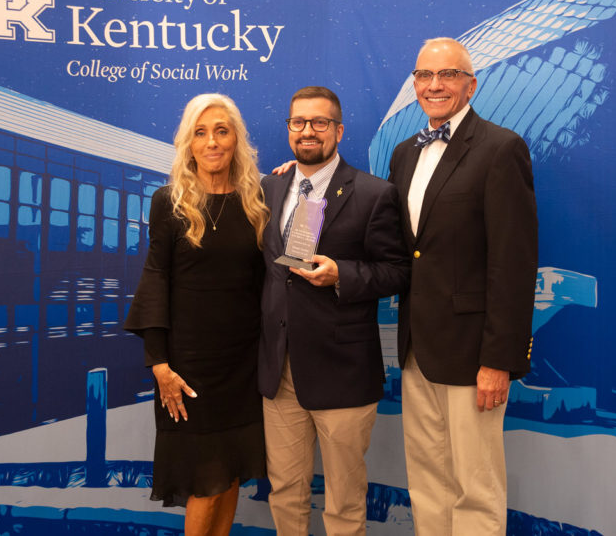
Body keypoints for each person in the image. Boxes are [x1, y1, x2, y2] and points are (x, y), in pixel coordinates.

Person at [388, 37, 538, 534]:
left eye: (448, 74)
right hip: (417, 350)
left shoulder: (500, 148)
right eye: (425, 75)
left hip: (474, 355)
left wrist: (499, 360)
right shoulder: (404, 154)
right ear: (414, 85)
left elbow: (514, 264)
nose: (435, 85)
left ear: (470, 85)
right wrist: (303, 180)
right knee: (427, 482)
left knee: (475, 488)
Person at [259, 86, 409, 536]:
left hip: (342, 370)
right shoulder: (270, 187)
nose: (308, 131)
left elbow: (398, 271)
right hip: (280, 371)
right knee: (285, 490)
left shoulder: (374, 193)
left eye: (319, 122)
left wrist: (342, 273)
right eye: (298, 122)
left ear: (339, 131)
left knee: (344, 500)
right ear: (289, 129)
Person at [124, 93, 270, 535]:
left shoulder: (257, 202)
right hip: (190, 367)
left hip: (243, 364)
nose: (212, 142)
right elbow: (155, 278)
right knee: (206, 480)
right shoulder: (169, 202)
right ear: (188, 142)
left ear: (236, 139)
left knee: (230, 474)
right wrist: (159, 363)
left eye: (221, 131)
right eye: (201, 133)